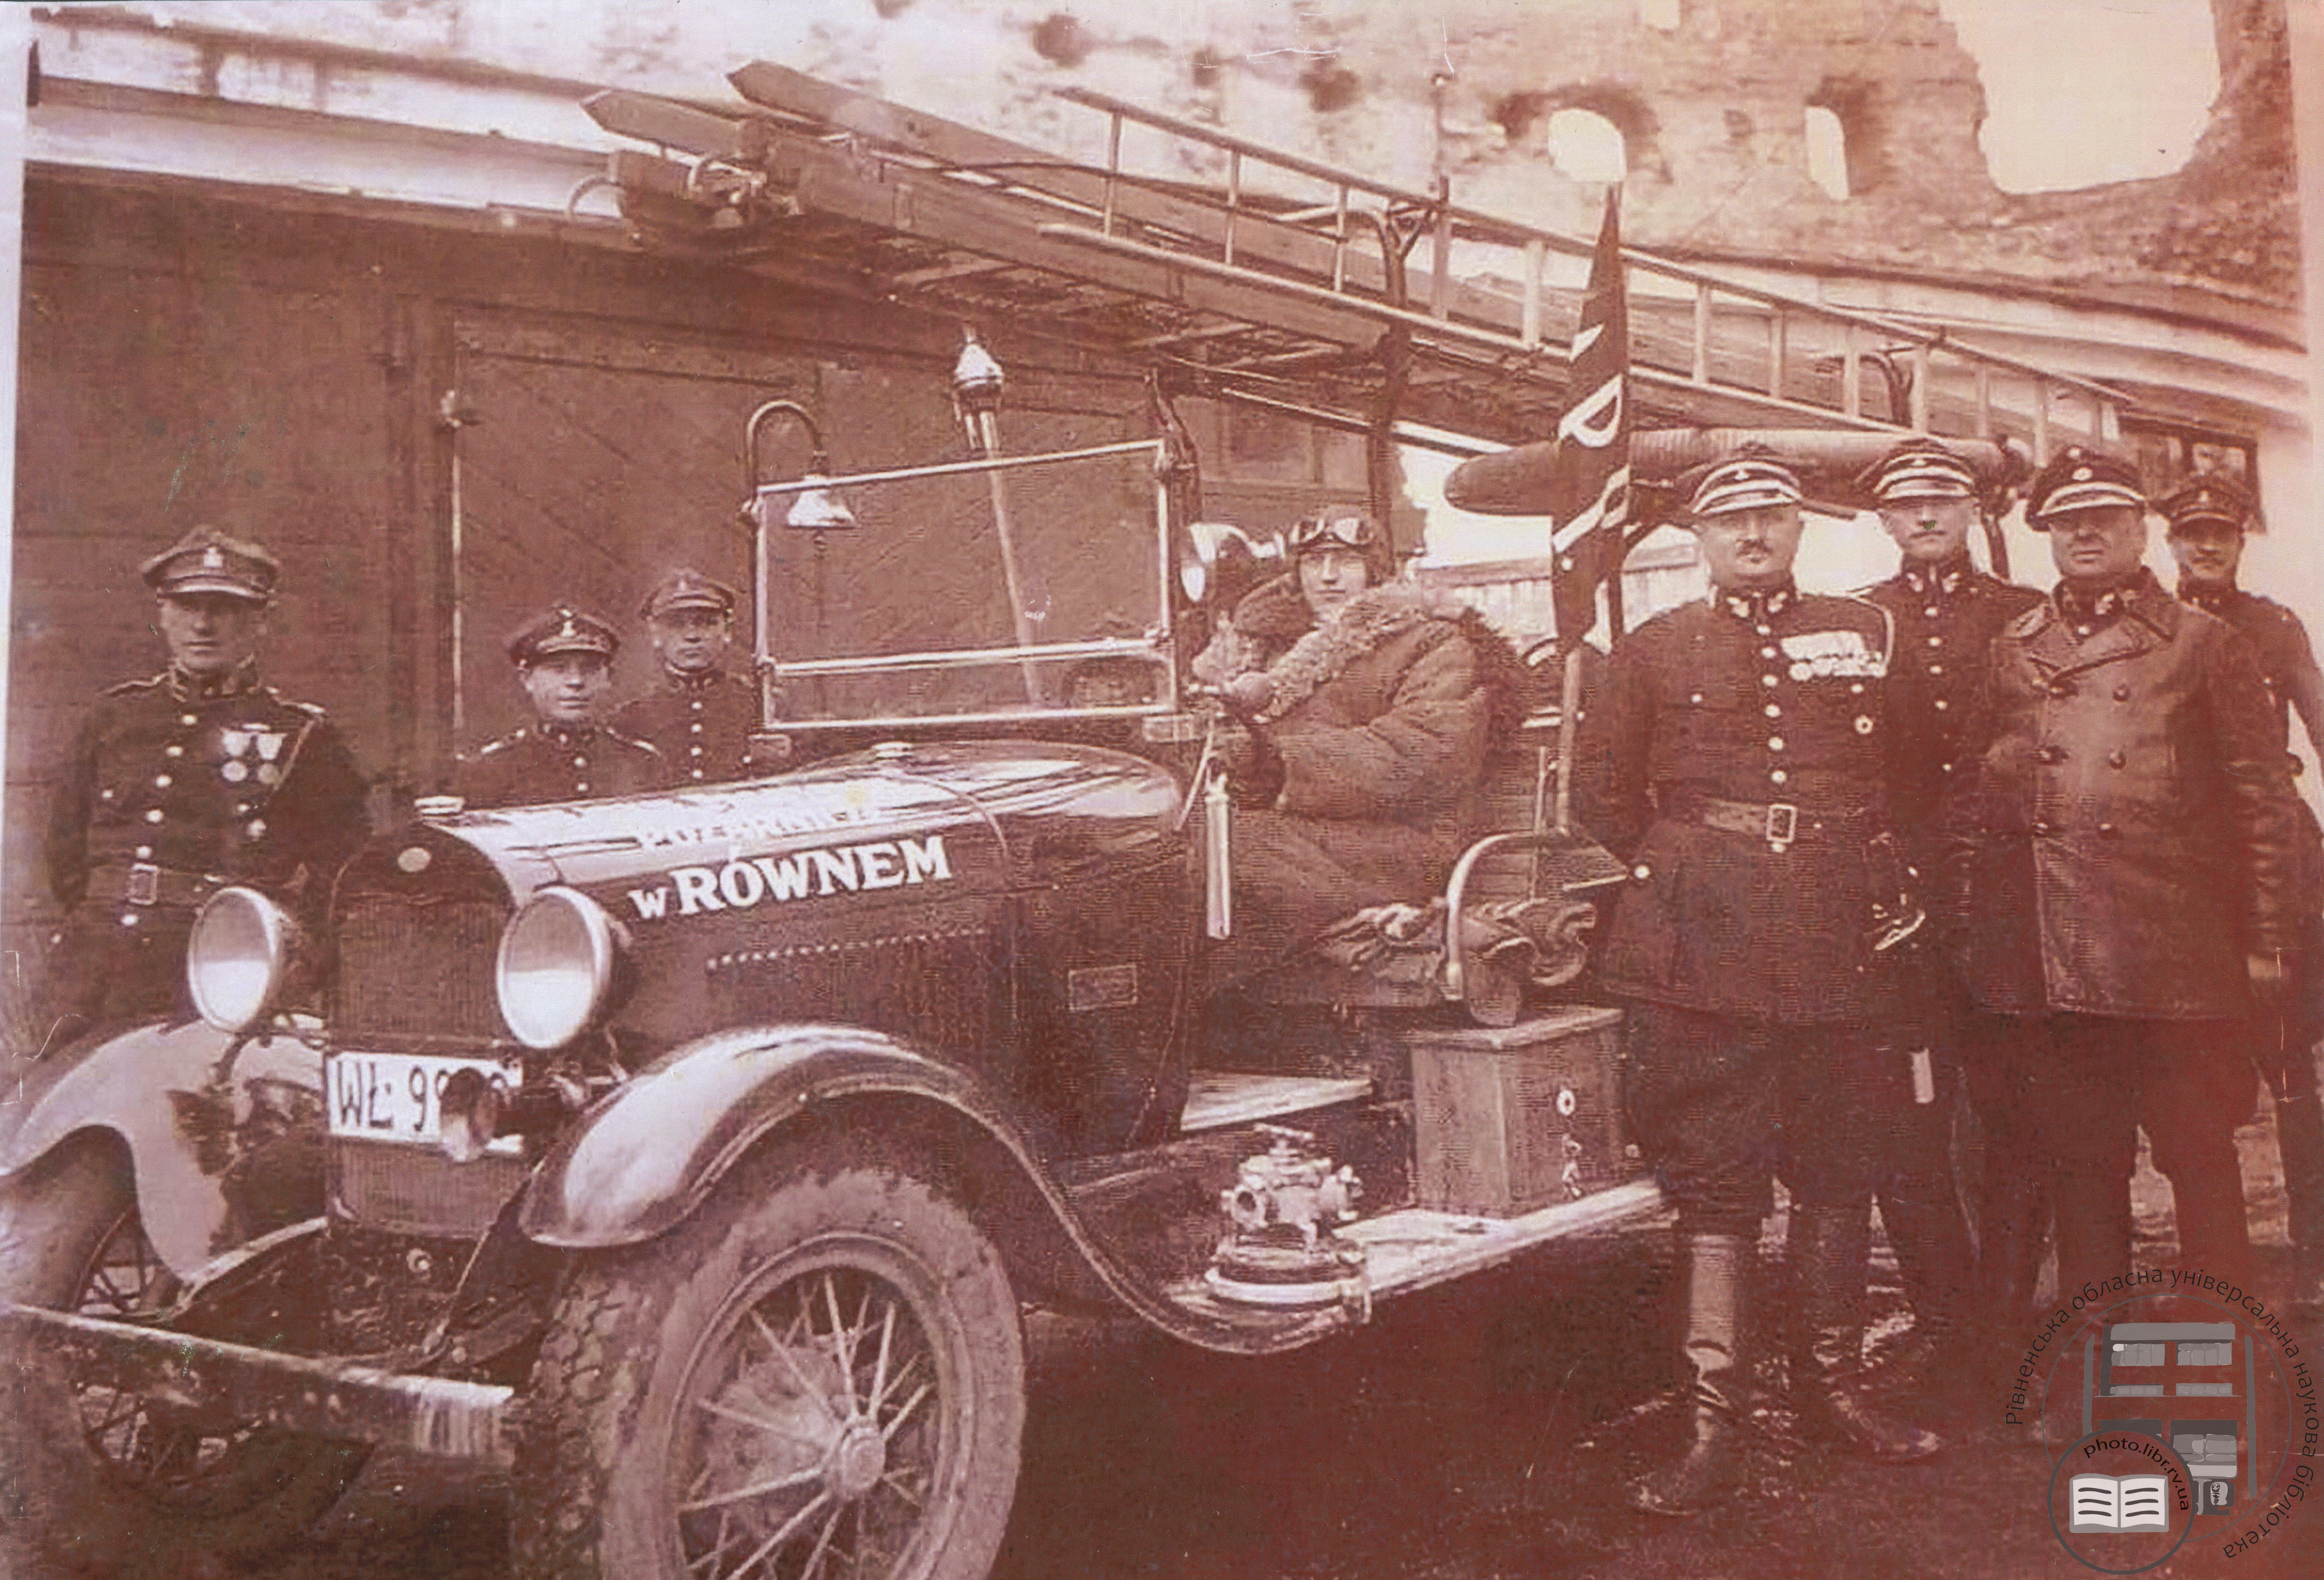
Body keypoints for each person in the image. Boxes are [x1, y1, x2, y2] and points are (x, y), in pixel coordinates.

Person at [1577, 451, 1941, 1517]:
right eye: (1729, 519)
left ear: (1799, 527)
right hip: (1705, 944)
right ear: (1698, 537)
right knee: (1718, 1177)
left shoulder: (1869, 632)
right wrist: (1697, 870)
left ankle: (1833, 1394)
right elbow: (1606, 795)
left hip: (1841, 930)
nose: (1752, 535)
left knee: (1838, 1165)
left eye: (1772, 516)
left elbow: (1913, 777)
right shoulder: (1651, 649)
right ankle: (1711, 1431)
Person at [1944, 447, 2303, 1312]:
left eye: (2103, 518)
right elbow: (1976, 797)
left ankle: (2221, 1349)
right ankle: (2098, 1355)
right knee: (2083, 1167)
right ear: (2045, 536)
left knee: (2198, 1159)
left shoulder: (2202, 643)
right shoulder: (2014, 647)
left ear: (2140, 529)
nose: (2084, 535)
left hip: (2174, 958)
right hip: (2059, 961)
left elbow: (2261, 802)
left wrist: (2264, 943)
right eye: (2066, 523)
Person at [1852, 439, 2043, 1409]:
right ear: (1881, 521)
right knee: (1908, 1116)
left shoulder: (2024, 616)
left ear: (1972, 512)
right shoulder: (1859, 623)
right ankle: (1944, 1318)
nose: (1926, 517)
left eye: (1943, 499)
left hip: (2007, 900)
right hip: (1898, 908)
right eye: (1907, 504)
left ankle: (2011, 1321)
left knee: (2013, 1112)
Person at [37, 527, 369, 1043]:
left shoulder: (301, 735)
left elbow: (343, 877)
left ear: (260, 619)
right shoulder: (115, 717)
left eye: (225, 608)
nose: (203, 624)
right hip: (94, 973)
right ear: (163, 612)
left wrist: (288, 963)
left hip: (217, 977)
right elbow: (66, 856)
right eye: (188, 605)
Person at [1190, 508, 1522, 984]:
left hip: (1401, 842)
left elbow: (1422, 754)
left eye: (1344, 560)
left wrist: (1277, 761)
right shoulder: (1255, 651)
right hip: (1300, 836)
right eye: (1312, 562)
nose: (1326, 576)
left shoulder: (1433, 642)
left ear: (1375, 569)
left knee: (1220, 844)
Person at [2162, 473, 2324, 1311]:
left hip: (2271, 855)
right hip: (2185, 863)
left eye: (2218, 533)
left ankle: (2312, 1251)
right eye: (2189, 533)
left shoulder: (2271, 626)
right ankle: (2211, 1260)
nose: (2204, 546)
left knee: (2290, 1058)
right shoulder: (2152, 627)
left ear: (2238, 541)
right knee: (2192, 1063)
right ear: (2167, 540)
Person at [452, 605, 667, 810]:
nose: (576, 681)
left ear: (608, 678)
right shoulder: (490, 770)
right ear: (527, 679)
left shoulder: (642, 763)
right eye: (558, 670)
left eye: (590, 669)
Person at [610, 570, 766, 785]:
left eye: (706, 623)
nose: (692, 636)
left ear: (727, 630)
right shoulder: (630, 716)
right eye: (676, 625)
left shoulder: (758, 704)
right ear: (656, 633)